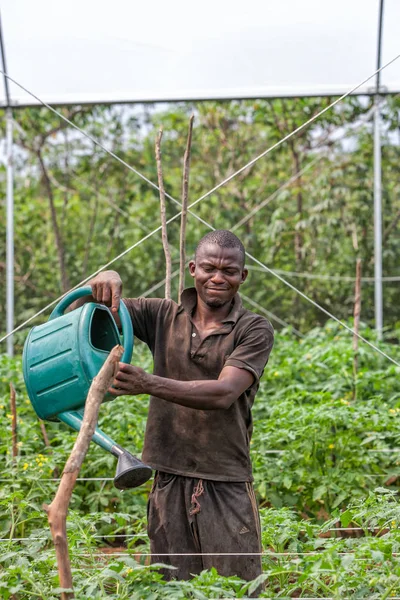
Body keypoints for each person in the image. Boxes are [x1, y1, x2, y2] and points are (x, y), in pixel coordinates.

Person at [86, 230, 274, 582]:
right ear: (192, 269)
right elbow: (89, 310)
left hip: (225, 478)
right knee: (172, 587)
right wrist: (105, 277)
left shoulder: (253, 329)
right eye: (209, 268)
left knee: (236, 587)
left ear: (242, 276)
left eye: (229, 271)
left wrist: (147, 384)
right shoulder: (161, 315)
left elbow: (223, 393)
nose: (218, 278)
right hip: (168, 478)